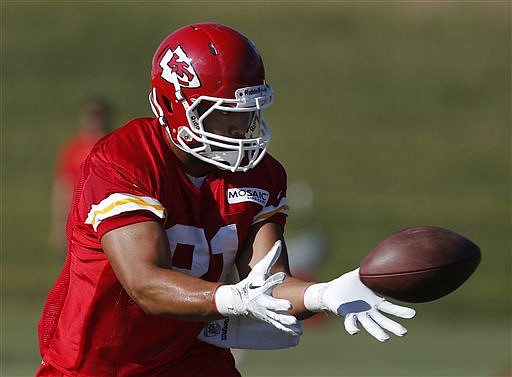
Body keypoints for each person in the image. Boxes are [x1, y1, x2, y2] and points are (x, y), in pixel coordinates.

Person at [36, 23, 416, 377]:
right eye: (222, 115)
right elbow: (145, 284)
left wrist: (325, 294)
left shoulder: (260, 174)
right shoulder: (124, 160)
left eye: (247, 112)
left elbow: (269, 282)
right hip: (99, 362)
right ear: (175, 106)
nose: (238, 127)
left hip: (189, 353)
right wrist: (233, 299)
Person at [49, 98, 112, 253]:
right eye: (89, 116)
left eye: (96, 116)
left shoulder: (112, 144)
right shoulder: (74, 147)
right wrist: (58, 224)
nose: (93, 121)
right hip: (76, 219)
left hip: (106, 216)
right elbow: (63, 184)